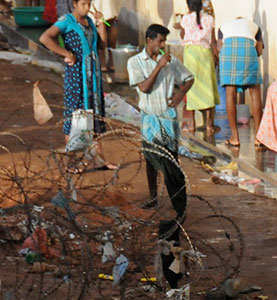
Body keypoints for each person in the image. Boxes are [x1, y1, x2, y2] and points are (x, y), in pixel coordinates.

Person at [127, 24, 194, 218]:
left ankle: (178, 201)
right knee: (151, 157)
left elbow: (189, 78)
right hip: (149, 117)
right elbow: (145, 87)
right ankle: (153, 196)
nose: (163, 45)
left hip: (167, 117)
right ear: (149, 41)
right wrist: (158, 67)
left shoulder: (171, 62)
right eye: (160, 41)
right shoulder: (136, 62)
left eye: (164, 40)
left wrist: (180, 94)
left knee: (171, 159)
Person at [39, 0, 114, 169]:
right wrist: (66, 53)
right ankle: (72, 160)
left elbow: (102, 45)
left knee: (95, 113)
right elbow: (45, 38)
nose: (87, 8)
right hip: (76, 76)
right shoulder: (67, 21)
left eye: (89, 3)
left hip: (93, 77)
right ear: (74, 3)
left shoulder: (89, 22)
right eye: (83, 4)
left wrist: (101, 25)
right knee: (75, 114)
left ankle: (99, 158)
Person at [217, 15, 263, 148]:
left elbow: (219, 48)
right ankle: (259, 138)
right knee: (255, 92)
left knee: (230, 93)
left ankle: (234, 137)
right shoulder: (254, 27)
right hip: (249, 52)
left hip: (228, 52)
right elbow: (259, 50)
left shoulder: (224, 26)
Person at [175, 0, 219, 141]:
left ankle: (192, 123)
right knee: (208, 88)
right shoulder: (209, 19)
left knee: (191, 87)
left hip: (190, 54)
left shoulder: (186, 19)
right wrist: (215, 55)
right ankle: (209, 125)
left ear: (188, 6)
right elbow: (213, 40)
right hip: (205, 54)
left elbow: (183, 35)